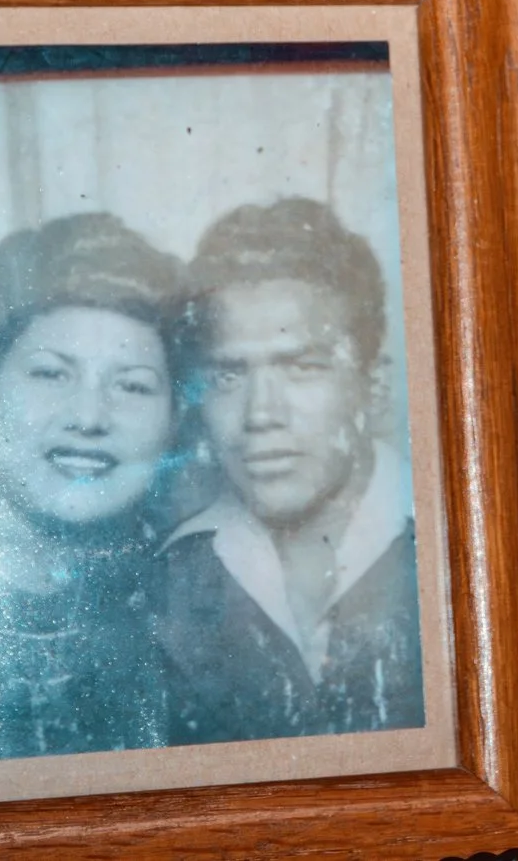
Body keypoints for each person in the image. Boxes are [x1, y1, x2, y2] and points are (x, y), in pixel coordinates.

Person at [158, 197, 423, 743]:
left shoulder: (458, 545)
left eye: (301, 368)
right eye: (229, 377)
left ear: (373, 385)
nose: (260, 415)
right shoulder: (170, 578)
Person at [0, 213, 185, 762]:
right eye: (51, 373)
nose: (88, 416)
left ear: (175, 419)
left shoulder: (197, 609)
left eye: (132, 384)